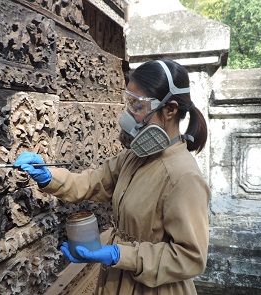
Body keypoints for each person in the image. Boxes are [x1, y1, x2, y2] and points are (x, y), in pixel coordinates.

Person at [14, 59, 210, 294]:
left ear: (170, 110)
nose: (129, 116)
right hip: (117, 281)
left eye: (138, 106)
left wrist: (120, 254)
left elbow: (190, 257)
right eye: (129, 102)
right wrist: (47, 176)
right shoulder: (134, 157)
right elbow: (93, 182)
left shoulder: (184, 176)